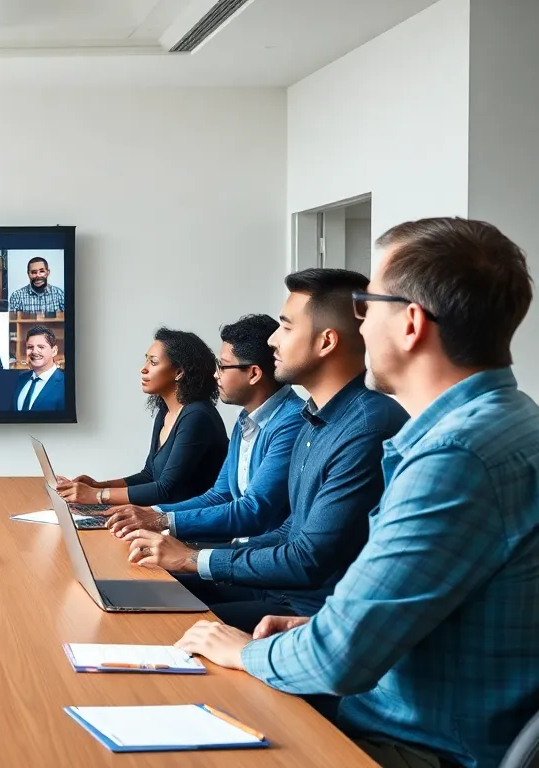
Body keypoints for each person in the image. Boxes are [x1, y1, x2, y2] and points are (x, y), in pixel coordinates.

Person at [176, 218, 538, 768]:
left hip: (413, 745)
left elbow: (339, 658)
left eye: (369, 306)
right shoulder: (510, 421)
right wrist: (315, 629)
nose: (360, 327)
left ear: (412, 323)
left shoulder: (455, 457)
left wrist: (245, 652)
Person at [126, 270, 408, 633]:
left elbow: (306, 558)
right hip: (278, 590)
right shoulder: (315, 419)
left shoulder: (366, 427)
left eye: (286, 327)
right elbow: (290, 530)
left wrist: (193, 557)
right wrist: (188, 555)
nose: (273, 340)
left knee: (159, 624)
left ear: (326, 343)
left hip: (307, 613)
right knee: (143, 591)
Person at [105, 315, 305, 541]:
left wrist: (161, 520)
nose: (215, 374)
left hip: (260, 556)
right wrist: (152, 513)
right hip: (237, 549)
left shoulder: (292, 423)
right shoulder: (246, 419)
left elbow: (253, 510)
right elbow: (218, 496)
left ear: (254, 374)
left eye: (223, 366)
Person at [58, 328, 228, 507]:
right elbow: (148, 475)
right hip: (162, 518)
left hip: (190, 527)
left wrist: (97, 495)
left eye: (153, 363)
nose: (143, 369)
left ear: (179, 372)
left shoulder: (197, 416)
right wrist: (96, 486)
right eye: (146, 360)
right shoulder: (165, 411)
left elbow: (165, 490)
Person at [11, 326, 66, 411]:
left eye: (41, 347)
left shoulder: (65, 383)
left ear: (54, 351)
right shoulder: (21, 378)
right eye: (30, 347)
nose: (34, 351)